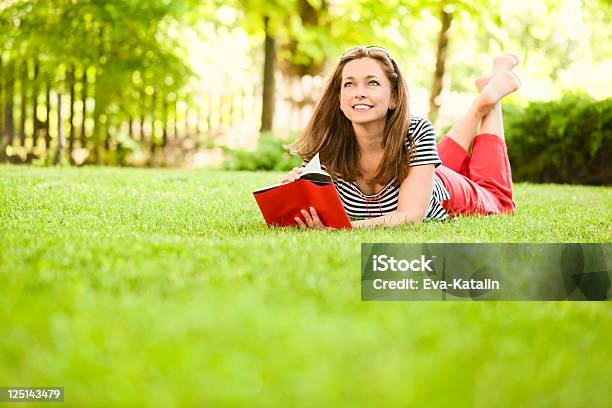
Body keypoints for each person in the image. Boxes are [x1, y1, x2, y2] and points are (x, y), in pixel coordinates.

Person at [280, 46, 520, 229]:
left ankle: (490, 99)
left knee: (499, 200)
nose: (359, 93)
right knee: (436, 163)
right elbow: (308, 206)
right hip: (424, 172)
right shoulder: (328, 142)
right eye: (349, 84)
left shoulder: (416, 131)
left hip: (446, 191)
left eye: (372, 83)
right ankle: (482, 101)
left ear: (394, 97)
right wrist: (296, 189)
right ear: (339, 98)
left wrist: (344, 228)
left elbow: (410, 215)